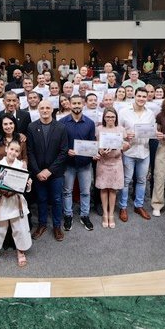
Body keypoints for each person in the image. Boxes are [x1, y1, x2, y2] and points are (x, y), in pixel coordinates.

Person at [27, 100, 69, 241]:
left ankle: (57, 226)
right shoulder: (32, 127)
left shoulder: (61, 127)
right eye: (42, 108)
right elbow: (30, 151)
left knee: (56, 199)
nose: (44, 110)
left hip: (56, 172)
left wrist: (49, 170)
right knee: (41, 199)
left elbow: (63, 152)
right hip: (38, 172)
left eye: (47, 108)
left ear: (52, 110)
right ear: (38, 110)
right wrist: (37, 171)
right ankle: (42, 224)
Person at [0, 140, 32, 267]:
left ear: (19, 153)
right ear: (6, 149)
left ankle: (20, 251)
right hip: (1, 200)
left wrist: (28, 185)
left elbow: (26, 186)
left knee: (20, 227)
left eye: (17, 151)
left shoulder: (21, 165)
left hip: (16, 200)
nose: (13, 152)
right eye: (11, 149)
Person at [59, 95, 97, 232]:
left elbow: (92, 143)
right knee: (67, 191)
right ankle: (68, 215)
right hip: (68, 164)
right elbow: (59, 144)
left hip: (85, 164)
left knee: (85, 192)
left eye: (79, 103)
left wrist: (94, 153)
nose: (76, 105)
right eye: (74, 103)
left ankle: (84, 215)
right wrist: (66, 151)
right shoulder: (62, 122)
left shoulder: (90, 123)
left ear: (83, 104)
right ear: (69, 104)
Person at [118, 87, 155, 222]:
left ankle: (138, 205)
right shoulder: (124, 112)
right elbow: (118, 130)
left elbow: (152, 131)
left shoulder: (150, 113)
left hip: (144, 151)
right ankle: (123, 207)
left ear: (147, 98)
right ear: (134, 96)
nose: (141, 99)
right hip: (129, 151)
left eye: (144, 97)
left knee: (141, 180)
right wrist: (125, 135)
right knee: (126, 180)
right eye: (139, 96)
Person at [94, 107, 128, 228]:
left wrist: (125, 146)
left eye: (112, 117)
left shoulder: (121, 129)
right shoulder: (99, 129)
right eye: (108, 116)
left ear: (116, 118)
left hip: (116, 162)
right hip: (103, 162)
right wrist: (100, 151)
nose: (110, 119)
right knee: (103, 188)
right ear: (104, 117)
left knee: (113, 189)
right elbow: (96, 145)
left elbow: (126, 145)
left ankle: (111, 214)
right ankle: (105, 213)